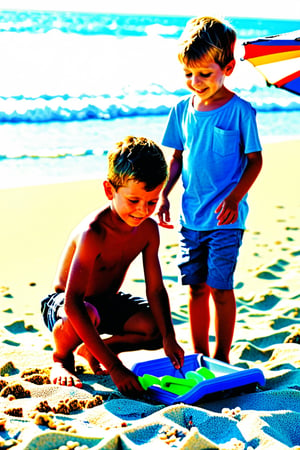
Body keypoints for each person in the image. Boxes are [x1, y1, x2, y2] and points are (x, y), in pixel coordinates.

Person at [41, 136, 184, 396]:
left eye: (151, 202)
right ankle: (61, 358)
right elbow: (73, 302)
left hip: (106, 302)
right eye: (133, 201)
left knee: (155, 329)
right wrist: (115, 367)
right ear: (110, 191)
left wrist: (169, 338)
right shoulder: (93, 232)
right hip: (66, 306)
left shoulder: (148, 230)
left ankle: (92, 348)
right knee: (87, 311)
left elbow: (156, 290)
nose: (142, 211)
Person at [158, 17, 263, 363]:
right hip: (192, 218)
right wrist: (164, 193)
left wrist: (235, 198)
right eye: (188, 74)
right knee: (195, 288)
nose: (195, 82)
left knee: (220, 288)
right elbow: (176, 158)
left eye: (204, 73)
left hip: (225, 219)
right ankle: (200, 355)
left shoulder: (241, 111)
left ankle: (222, 356)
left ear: (228, 68)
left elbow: (254, 161)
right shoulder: (180, 110)